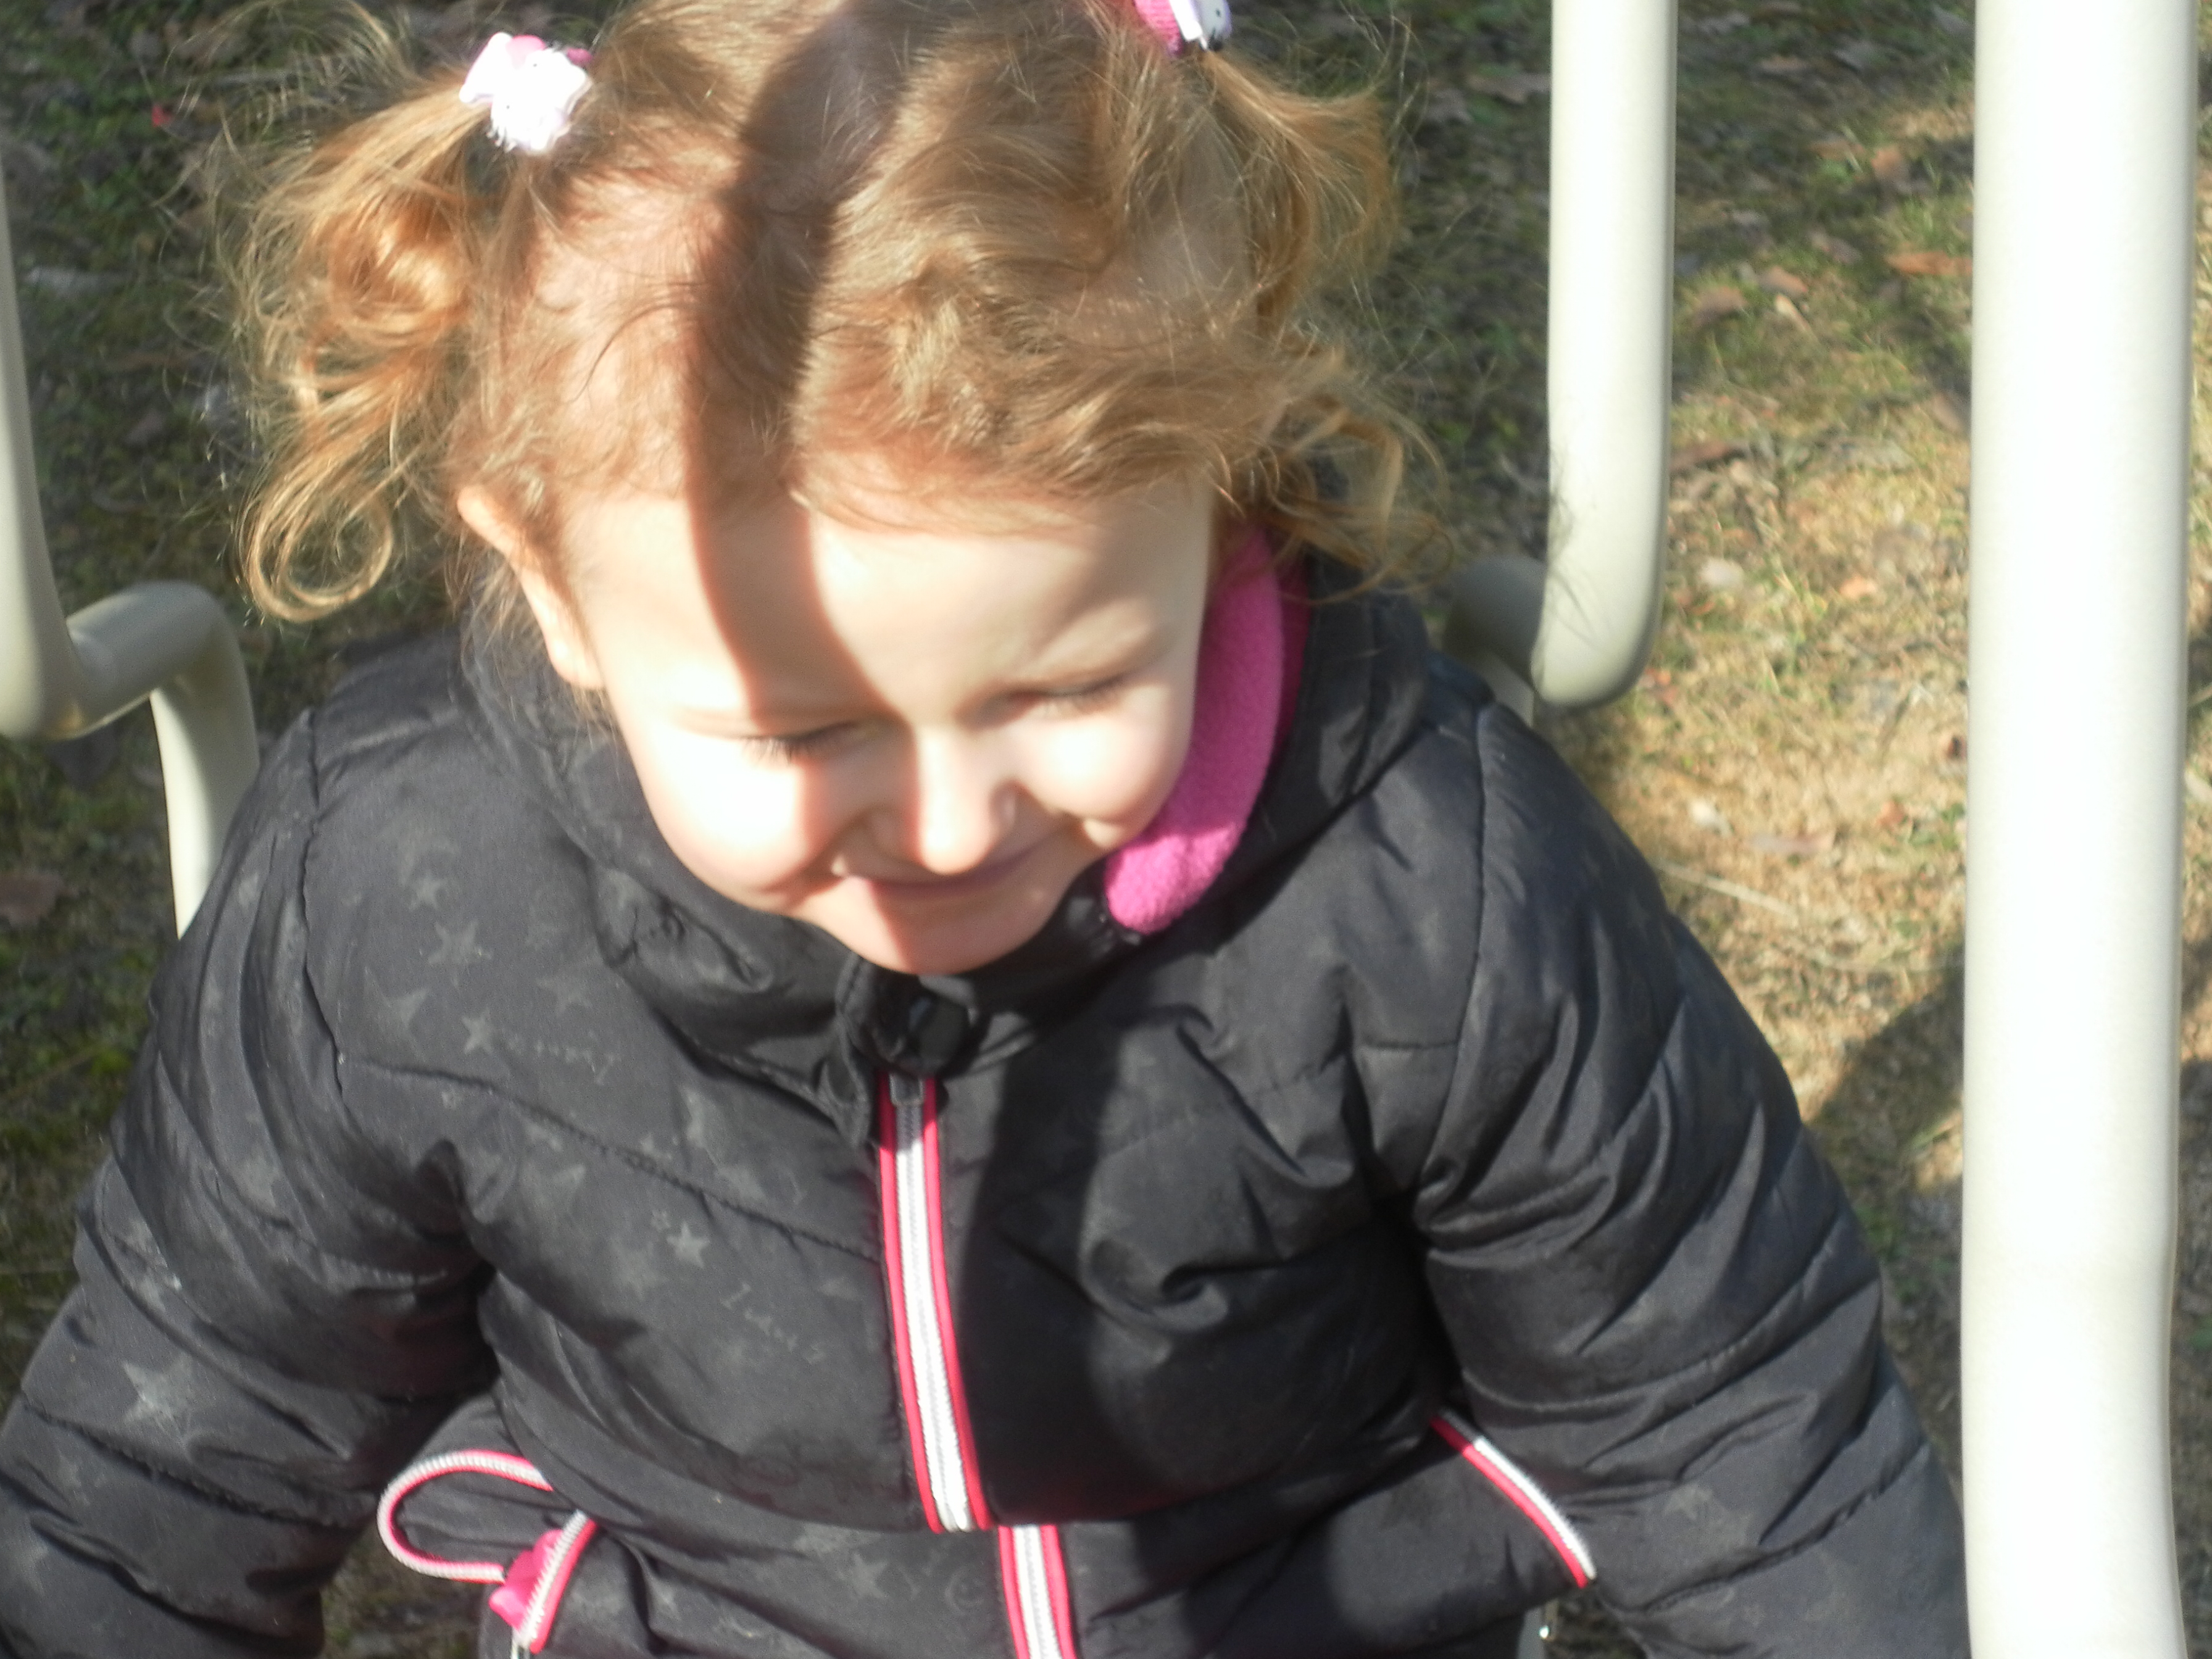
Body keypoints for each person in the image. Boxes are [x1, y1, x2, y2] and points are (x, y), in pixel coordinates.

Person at [0, 0, 1968, 1654]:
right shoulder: (404, 890)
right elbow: (186, 1441)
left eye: (1062, 693)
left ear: (1220, 504)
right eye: (802, 728)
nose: (945, 823)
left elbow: (1731, 1418)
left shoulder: (1422, 877)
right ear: (555, 586)